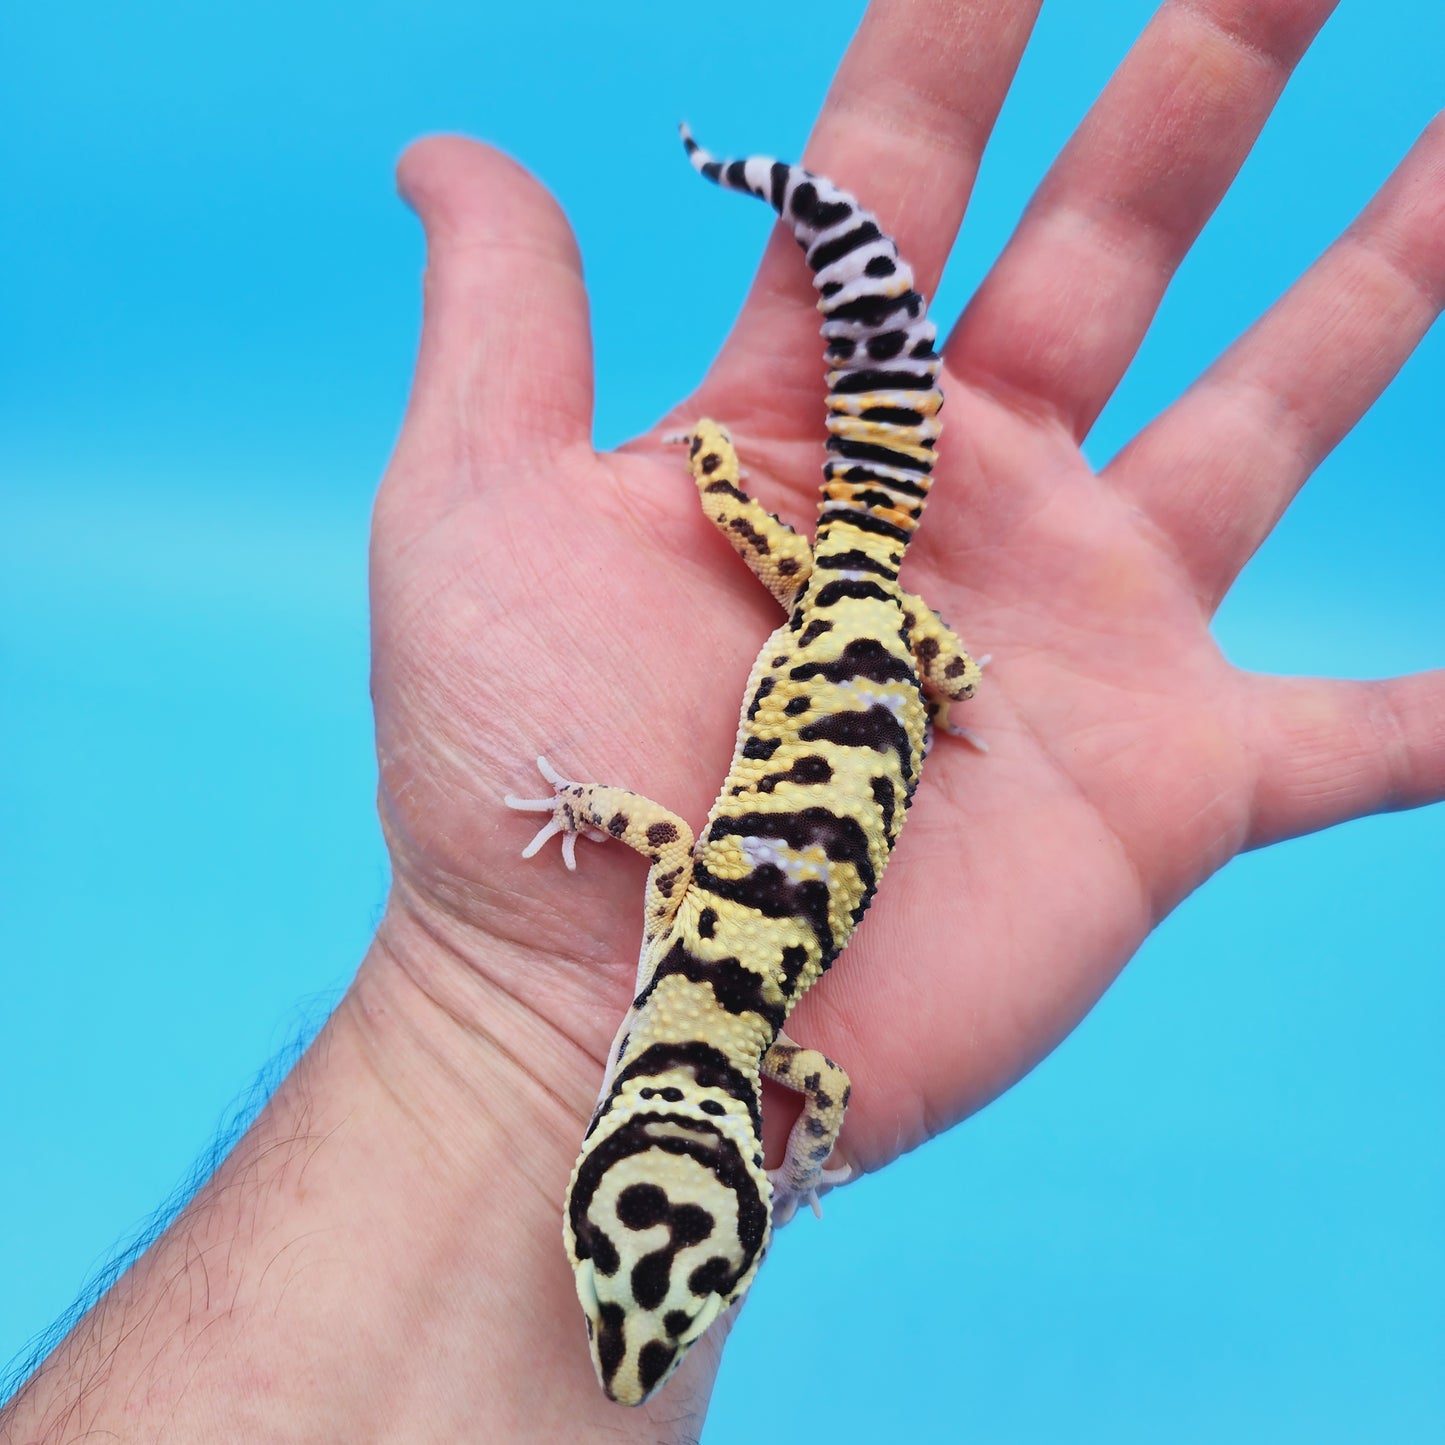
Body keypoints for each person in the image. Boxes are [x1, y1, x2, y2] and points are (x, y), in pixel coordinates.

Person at [5, 0, 1441, 1437]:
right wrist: (584, 833)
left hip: (877, 651)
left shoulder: (767, 1053)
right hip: (861, 639)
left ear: (622, 1170)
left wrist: (792, 1119)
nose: (630, 1347)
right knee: (826, 532)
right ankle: (790, 270)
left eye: (621, 1297)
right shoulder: (698, 983)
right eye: (663, 1304)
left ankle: (796, 242)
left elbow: (765, 1004)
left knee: (820, 551)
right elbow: (657, 845)